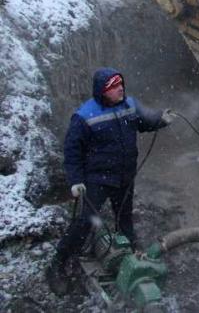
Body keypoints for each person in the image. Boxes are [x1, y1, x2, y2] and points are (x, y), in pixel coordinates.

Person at [45, 68, 174, 294]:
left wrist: (160, 119)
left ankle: (130, 258)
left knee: (124, 219)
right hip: (98, 179)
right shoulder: (85, 116)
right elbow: (72, 151)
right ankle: (58, 263)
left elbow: (143, 123)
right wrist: (76, 181)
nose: (120, 89)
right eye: (114, 87)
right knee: (84, 222)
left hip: (125, 176)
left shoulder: (129, 105)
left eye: (120, 84)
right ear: (103, 92)